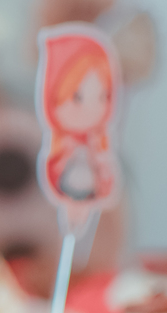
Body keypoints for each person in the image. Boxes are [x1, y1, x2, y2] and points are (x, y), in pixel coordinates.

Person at [39, 33, 119, 205]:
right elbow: (54, 169)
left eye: (102, 96)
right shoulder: (59, 145)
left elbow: (106, 177)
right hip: (65, 187)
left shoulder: (99, 142)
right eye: (77, 97)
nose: (91, 110)